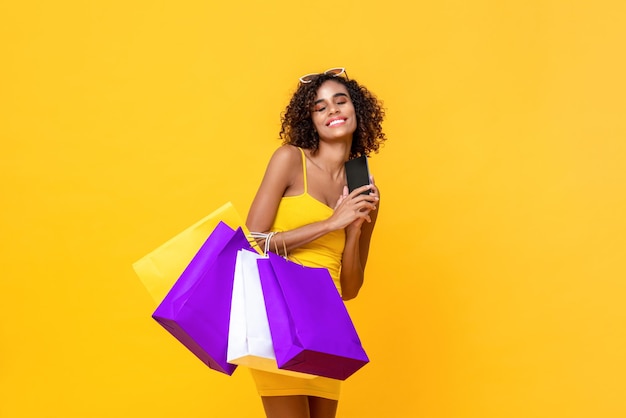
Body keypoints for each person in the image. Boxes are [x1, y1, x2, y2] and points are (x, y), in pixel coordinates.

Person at [246, 67, 387, 418]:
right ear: (310, 120)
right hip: (278, 318)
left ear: (357, 110)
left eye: (340, 102)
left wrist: (352, 231)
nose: (333, 111)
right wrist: (330, 223)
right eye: (320, 107)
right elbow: (252, 241)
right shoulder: (290, 160)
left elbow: (350, 288)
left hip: (327, 322)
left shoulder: (364, 191)